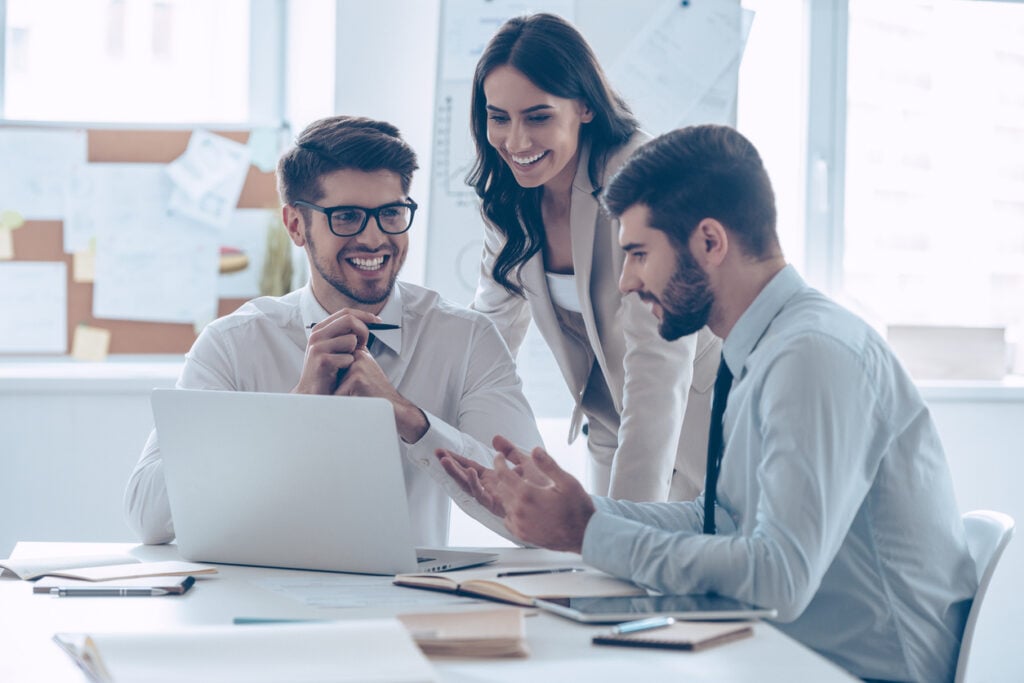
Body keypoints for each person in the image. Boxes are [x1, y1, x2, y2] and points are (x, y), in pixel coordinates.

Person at [439, 124, 977, 682]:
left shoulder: (811, 356)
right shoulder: (764, 346)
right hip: (787, 656)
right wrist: (572, 512)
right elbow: (719, 521)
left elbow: (779, 579)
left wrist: (587, 533)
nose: (626, 282)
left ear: (710, 243)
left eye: (640, 254)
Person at [124, 115, 543, 547]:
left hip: (410, 606)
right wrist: (294, 412)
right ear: (294, 226)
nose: (374, 237)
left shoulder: (466, 340)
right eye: (346, 217)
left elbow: (540, 512)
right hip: (259, 602)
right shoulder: (234, 345)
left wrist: (409, 418)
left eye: (391, 213)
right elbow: (149, 517)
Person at [467, 13, 720, 502]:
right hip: (611, 428)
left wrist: (627, 533)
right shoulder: (508, 202)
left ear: (583, 106)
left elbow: (658, 365)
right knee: (599, 571)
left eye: (537, 116)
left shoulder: (644, 181)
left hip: (706, 427)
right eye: (499, 117)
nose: (515, 142)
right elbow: (487, 343)